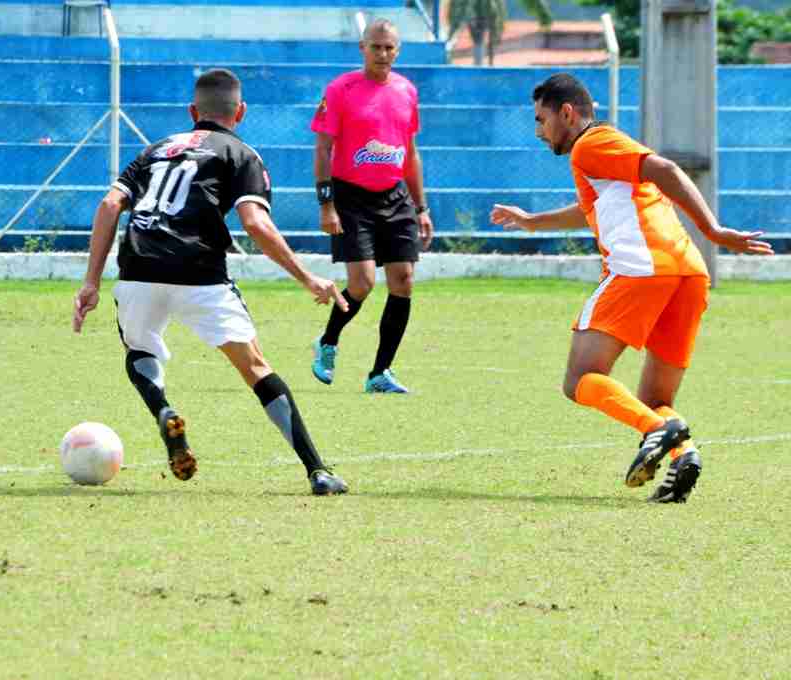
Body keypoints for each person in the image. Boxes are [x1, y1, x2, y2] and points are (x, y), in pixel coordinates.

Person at [490, 73, 773, 503]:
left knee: (580, 378)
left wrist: (712, 229)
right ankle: (684, 457)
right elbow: (593, 209)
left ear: (567, 113)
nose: (538, 132)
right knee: (655, 397)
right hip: (687, 274)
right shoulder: (604, 160)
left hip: (641, 271)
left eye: (541, 120)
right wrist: (533, 221)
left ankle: (658, 431)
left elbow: (665, 168)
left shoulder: (591, 143)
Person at [72, 68, 350, 496]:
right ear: (240, 111)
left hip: (139, 270)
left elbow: (110, 203)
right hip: (200, 273)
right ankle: (317, 470)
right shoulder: (241, 154)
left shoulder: (156, 149)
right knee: (255, 368)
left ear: (192, 111)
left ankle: (163, 409)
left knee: (140, 351)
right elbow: (255, 222)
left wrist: (91, 282)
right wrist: (307, 277)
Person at [309, 18, 434, 394]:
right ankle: (328, 341)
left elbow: (410, 153)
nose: (383, 54)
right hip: (350, 197)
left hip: (394, 197)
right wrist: (326, 205)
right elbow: (323, 149)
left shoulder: (407, 91)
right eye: (376, 46)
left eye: (389, 47)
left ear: (398, 50)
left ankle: (380, 373)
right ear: (362, 48)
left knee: (403, 280)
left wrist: (421, 207)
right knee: (361, 284)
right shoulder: (341, 89)